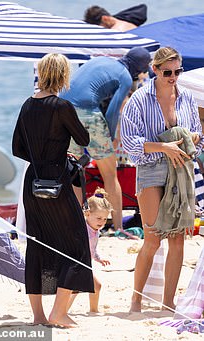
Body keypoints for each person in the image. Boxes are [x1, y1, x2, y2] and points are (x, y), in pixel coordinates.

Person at [12, 53, 94, 328]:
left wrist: (40, 157)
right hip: (56, 181)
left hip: (32, 180)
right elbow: (83, 139)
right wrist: (58, 155)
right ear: (62, 76)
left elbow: (17, 149)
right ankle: (58, 312)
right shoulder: (61, 106)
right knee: (76, 244)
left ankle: (38, 316)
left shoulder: (27, 104)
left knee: (38, 244)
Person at [120, 46, 204, 312]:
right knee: (153, 237)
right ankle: (136, 299)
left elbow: (197, 133)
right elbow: (129, 142)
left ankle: (168, 302)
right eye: (167, 72)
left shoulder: (187, 97)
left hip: (181, 169)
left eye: (178, 71)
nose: (173, 77)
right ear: (154, 70)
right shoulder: (140, 99)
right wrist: (163, 147)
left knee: (178, 238)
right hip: (151, 168)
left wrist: (194, 139)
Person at [60, 47, 151, 230]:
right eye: (143, 71)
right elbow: (113, 110)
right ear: (139, 68)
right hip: (87, 113)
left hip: (63, 109)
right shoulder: (125, 77)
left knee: (76, 171)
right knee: (110, 174)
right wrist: (110, 135)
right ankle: (119, 229)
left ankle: (76, 227)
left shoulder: (103, 60)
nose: (142, 74)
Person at [68, 187, 111, 313]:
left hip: (85, 264)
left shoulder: (96, 230)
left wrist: (98, 258)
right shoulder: (82, 228)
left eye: (105, 219)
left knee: (94, 287)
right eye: (99, 218)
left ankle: (93, 310)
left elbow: (92, 248)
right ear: (87, 214)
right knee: (74, 290)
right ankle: (62, 312)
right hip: (76, 264)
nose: (102, 222)